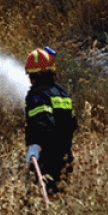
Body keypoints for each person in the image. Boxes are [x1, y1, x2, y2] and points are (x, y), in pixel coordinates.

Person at [24, 47, 77, 196]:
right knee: (59, 200)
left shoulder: (38, 95)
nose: (30, 79)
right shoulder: (62, 93)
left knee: (36, 202)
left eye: (31, 74)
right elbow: (73, 123)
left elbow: (43, 125)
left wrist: (35, 146)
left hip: (46, 160)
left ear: (37, 74)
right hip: (65, 157)